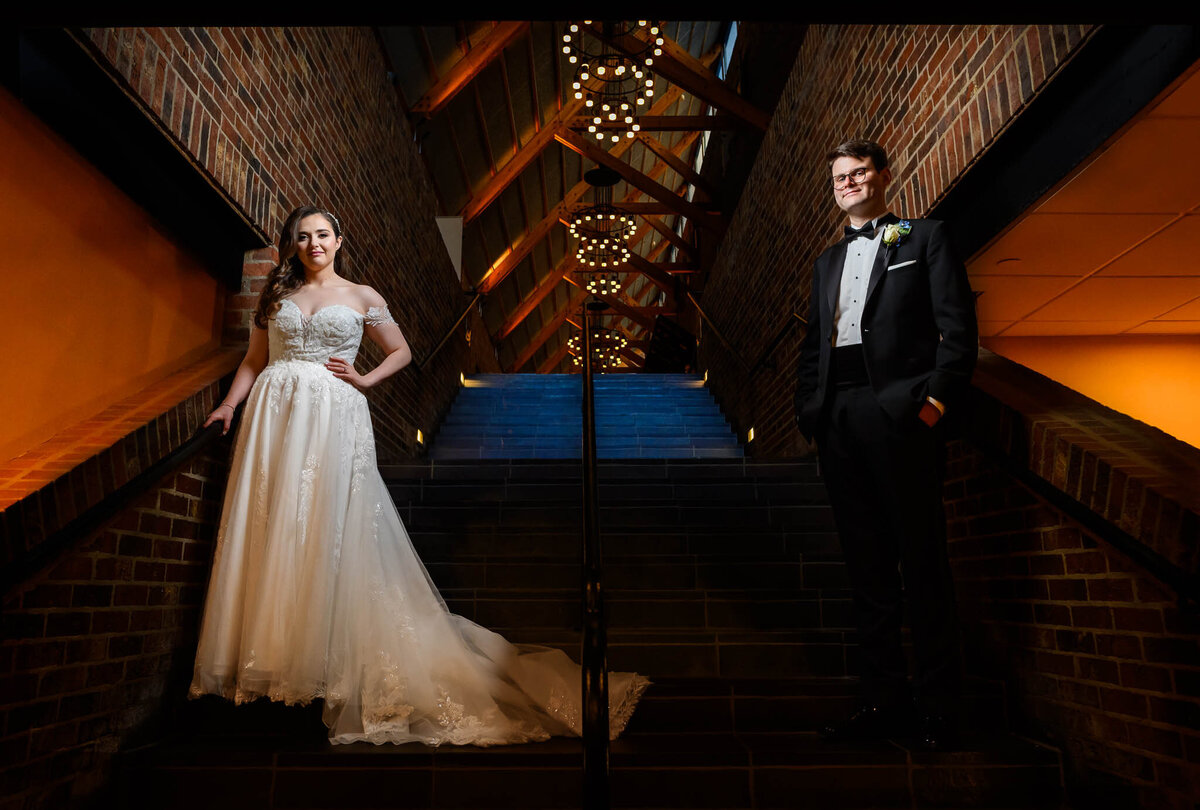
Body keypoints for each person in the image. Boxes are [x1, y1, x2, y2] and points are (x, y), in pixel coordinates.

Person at [190, 205, 648, 745]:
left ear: (339, 241)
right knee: (272, 527)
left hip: (333, 417)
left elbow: (403, 351)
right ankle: (275, 664)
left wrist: (364, 380)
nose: (313, 244)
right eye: (302, 237)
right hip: (274, 418)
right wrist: (228, 406)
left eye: (322, 235)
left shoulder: (363, 296)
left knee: (324, 529)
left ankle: (323, 669)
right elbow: (252, 360)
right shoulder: (276, 299)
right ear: (293, 246)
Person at [793, 140, 978, 750]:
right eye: (839, 177)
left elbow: (958, 328)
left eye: (858, 172)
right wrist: (811, 413)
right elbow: (814, 345)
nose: (847, 183)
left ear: (883, 176)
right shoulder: (825, 261)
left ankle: (942, 709)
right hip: (838, 418)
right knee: (866, 569)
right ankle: (881, 702)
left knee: (921, 563)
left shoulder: (923, 239)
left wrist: (934, 405)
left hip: (899, 413)